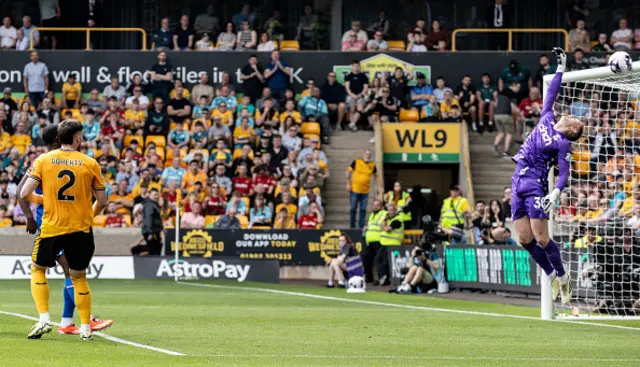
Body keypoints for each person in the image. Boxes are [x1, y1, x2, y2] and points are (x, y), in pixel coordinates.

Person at [17, 124, 113, 336]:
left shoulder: (43, 160)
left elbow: (23, 192)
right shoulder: (90, 162)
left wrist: (43, 200)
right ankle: (86, 327)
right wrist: (89, 215)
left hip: (52, 225)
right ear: (77, 138)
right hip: (80, 227)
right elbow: (103, 201)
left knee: (38, 268)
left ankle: (45, 319)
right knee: (78, 275)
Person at [511, 48, 583, 305]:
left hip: (535, 185)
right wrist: (561, 67)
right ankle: (551, 274)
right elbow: (551, 93)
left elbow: (564, 172)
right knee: (523, 238)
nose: (570, 114)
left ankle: (564, 278)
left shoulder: (563, 143)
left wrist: (555, 193)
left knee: (541, 238)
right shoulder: (547, 118)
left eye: (574, 119)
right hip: (517, 178)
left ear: (572, 129)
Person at [347, 149, 380, 229]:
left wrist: (379, 187)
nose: (367, 156)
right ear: (363, 154)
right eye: (366, 154)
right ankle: (352, 225)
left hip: (365, 191)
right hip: (355, 190)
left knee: (363, 209)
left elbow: (376, 176)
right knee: (353, 208)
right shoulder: (356, 161)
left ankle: (361, 226)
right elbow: (348, 171)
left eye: (369, 154)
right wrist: (348, 183)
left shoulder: (372, 165)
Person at [377, 203, 404, 286]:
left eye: (392, 210)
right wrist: (385, 221)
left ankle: (386, 278)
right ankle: (382, 277)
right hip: (384, 243)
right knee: (377, 259)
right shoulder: (389, 219)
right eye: (388, 211)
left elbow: (387, 229)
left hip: (393, 244)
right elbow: (382, 227)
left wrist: (384, 223)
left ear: (395, 211)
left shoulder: (398, 220)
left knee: (386, 263)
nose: (389, 212)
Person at [362, 199, 386, 283]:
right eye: (374, 205)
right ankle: (369, 277)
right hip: (369, 241)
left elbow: (382, 225)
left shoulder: (384, 213)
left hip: (378, 240)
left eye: (377, 205)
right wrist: (366, 228)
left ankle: (381, 278)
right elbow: (371, 225)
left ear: (381, 206)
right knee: (366, 259)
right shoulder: (372, 214)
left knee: (378, 260)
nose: (375, 206)